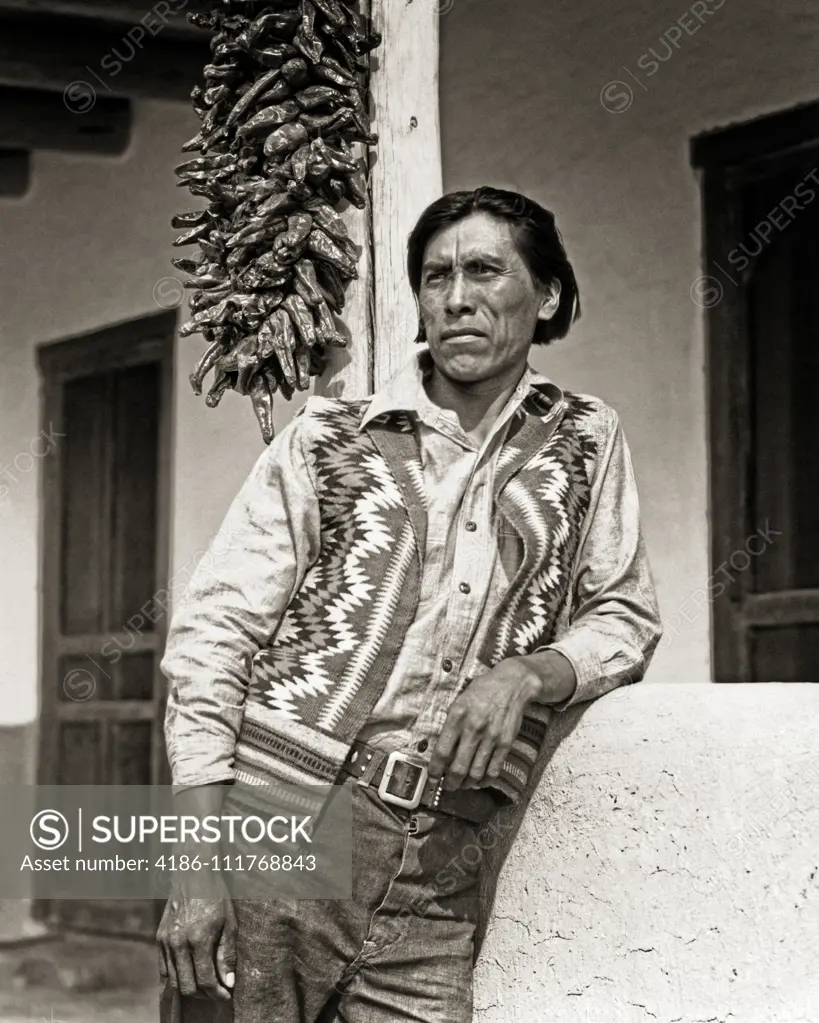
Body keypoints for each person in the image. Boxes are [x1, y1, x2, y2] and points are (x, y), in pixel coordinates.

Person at [157, 186, 662, 1023]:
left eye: (483, 271)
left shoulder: (585, 437)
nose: (455, 297)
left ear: (545, 296)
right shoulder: (327, 437)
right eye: (435, 277)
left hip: (443, 863)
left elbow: (623, 612)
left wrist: (529, 675)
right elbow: (214, 639)